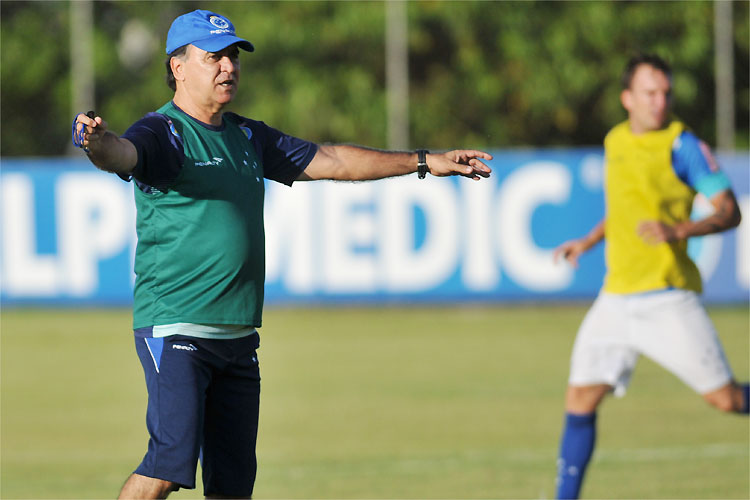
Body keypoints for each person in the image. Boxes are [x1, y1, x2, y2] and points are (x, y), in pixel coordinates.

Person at [71, 9, 492, 500]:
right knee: (165, 467)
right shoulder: (164, 133)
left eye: (233, 56)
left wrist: (424, 161)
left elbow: (333, 160)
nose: (228, 66)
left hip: (237, 339)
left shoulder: (247, 136)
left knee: (232, 488)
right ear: (178, 67)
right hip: (178, 330)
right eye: (213, 57)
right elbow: (121, 154)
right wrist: (96, 143)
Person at [551, 53, 748, 499]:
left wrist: (679, 230)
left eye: (666, 93)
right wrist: (588, 241)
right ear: (628, 98)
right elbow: (624, 210)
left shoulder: (683, 146)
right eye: (650, 93)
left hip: (665, 296)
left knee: (727, 400)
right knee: (580, 399)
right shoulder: (615, 140)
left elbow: (730, 211)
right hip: (615, 298)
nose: (660, 101)